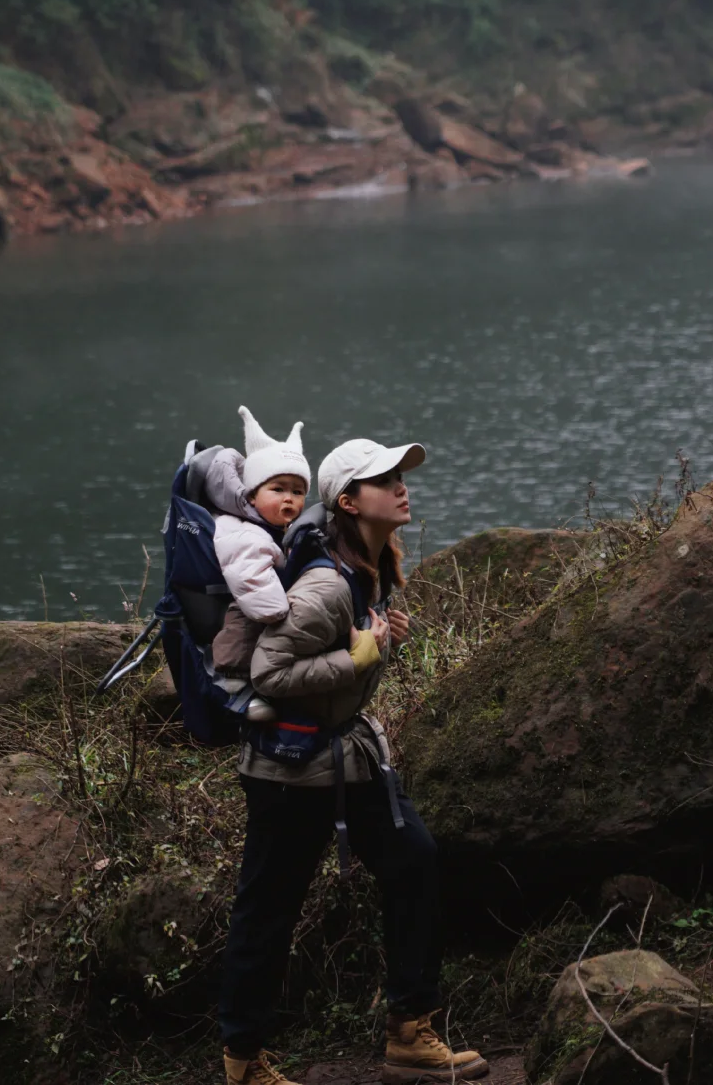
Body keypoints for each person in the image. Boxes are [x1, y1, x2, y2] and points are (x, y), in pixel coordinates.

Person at [219, 437, 490, 1085]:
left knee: (414, 861)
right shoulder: (323, 587)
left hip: (344, 757)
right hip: (289, 773)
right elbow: (269, 670)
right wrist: (360, 657)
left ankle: (409, 1032)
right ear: (347, 501)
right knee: (269, 910)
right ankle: (243, 1063)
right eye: (383, 479)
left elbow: (340, 665)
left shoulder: (369, 566)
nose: (401, 486)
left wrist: (380, 643)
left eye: (401, 475)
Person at [206, 405, 311, 723]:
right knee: (244, 618)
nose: (288, 498)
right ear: (251, 496)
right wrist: (288, 612)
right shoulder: (246, 534)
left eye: (297, 491)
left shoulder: (268, 527)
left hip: (251, 602)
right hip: (241, 623)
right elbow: (253, 584)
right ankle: (234, 685)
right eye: (277, 489)